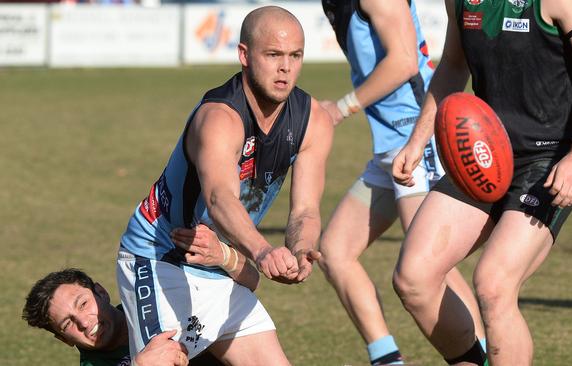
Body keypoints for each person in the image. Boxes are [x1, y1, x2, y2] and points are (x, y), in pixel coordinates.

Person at [392, 0, 572, 365]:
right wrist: (418, 138)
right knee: (413, 278)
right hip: (484, 156)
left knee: (494, 285)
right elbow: (454, 66)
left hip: (546, 163)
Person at [115, 5, 333, 366]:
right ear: (244, 55)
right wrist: (263, 252)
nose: (285, 67)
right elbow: (220, 198)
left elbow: (306, 210)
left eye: (295, 56)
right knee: (164, 360)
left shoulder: (313, 121)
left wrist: (301, 250)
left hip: (220, 262)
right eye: (274, 55)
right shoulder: (219, 117)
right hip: (160, 258)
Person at [318, 1, 485, 365]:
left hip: (415, 138)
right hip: (389, 149)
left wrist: (341, 107)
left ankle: (482, 355)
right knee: (334, 251)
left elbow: (404, 61)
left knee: (429, 265)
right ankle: (387, 360)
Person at [23, 238, 252, 366]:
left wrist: (224, 256)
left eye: (83, 304)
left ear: (101, 293)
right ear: (64, 340)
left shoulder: (154, 302)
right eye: (67, 324)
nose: (84, 322)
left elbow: (250, 283)